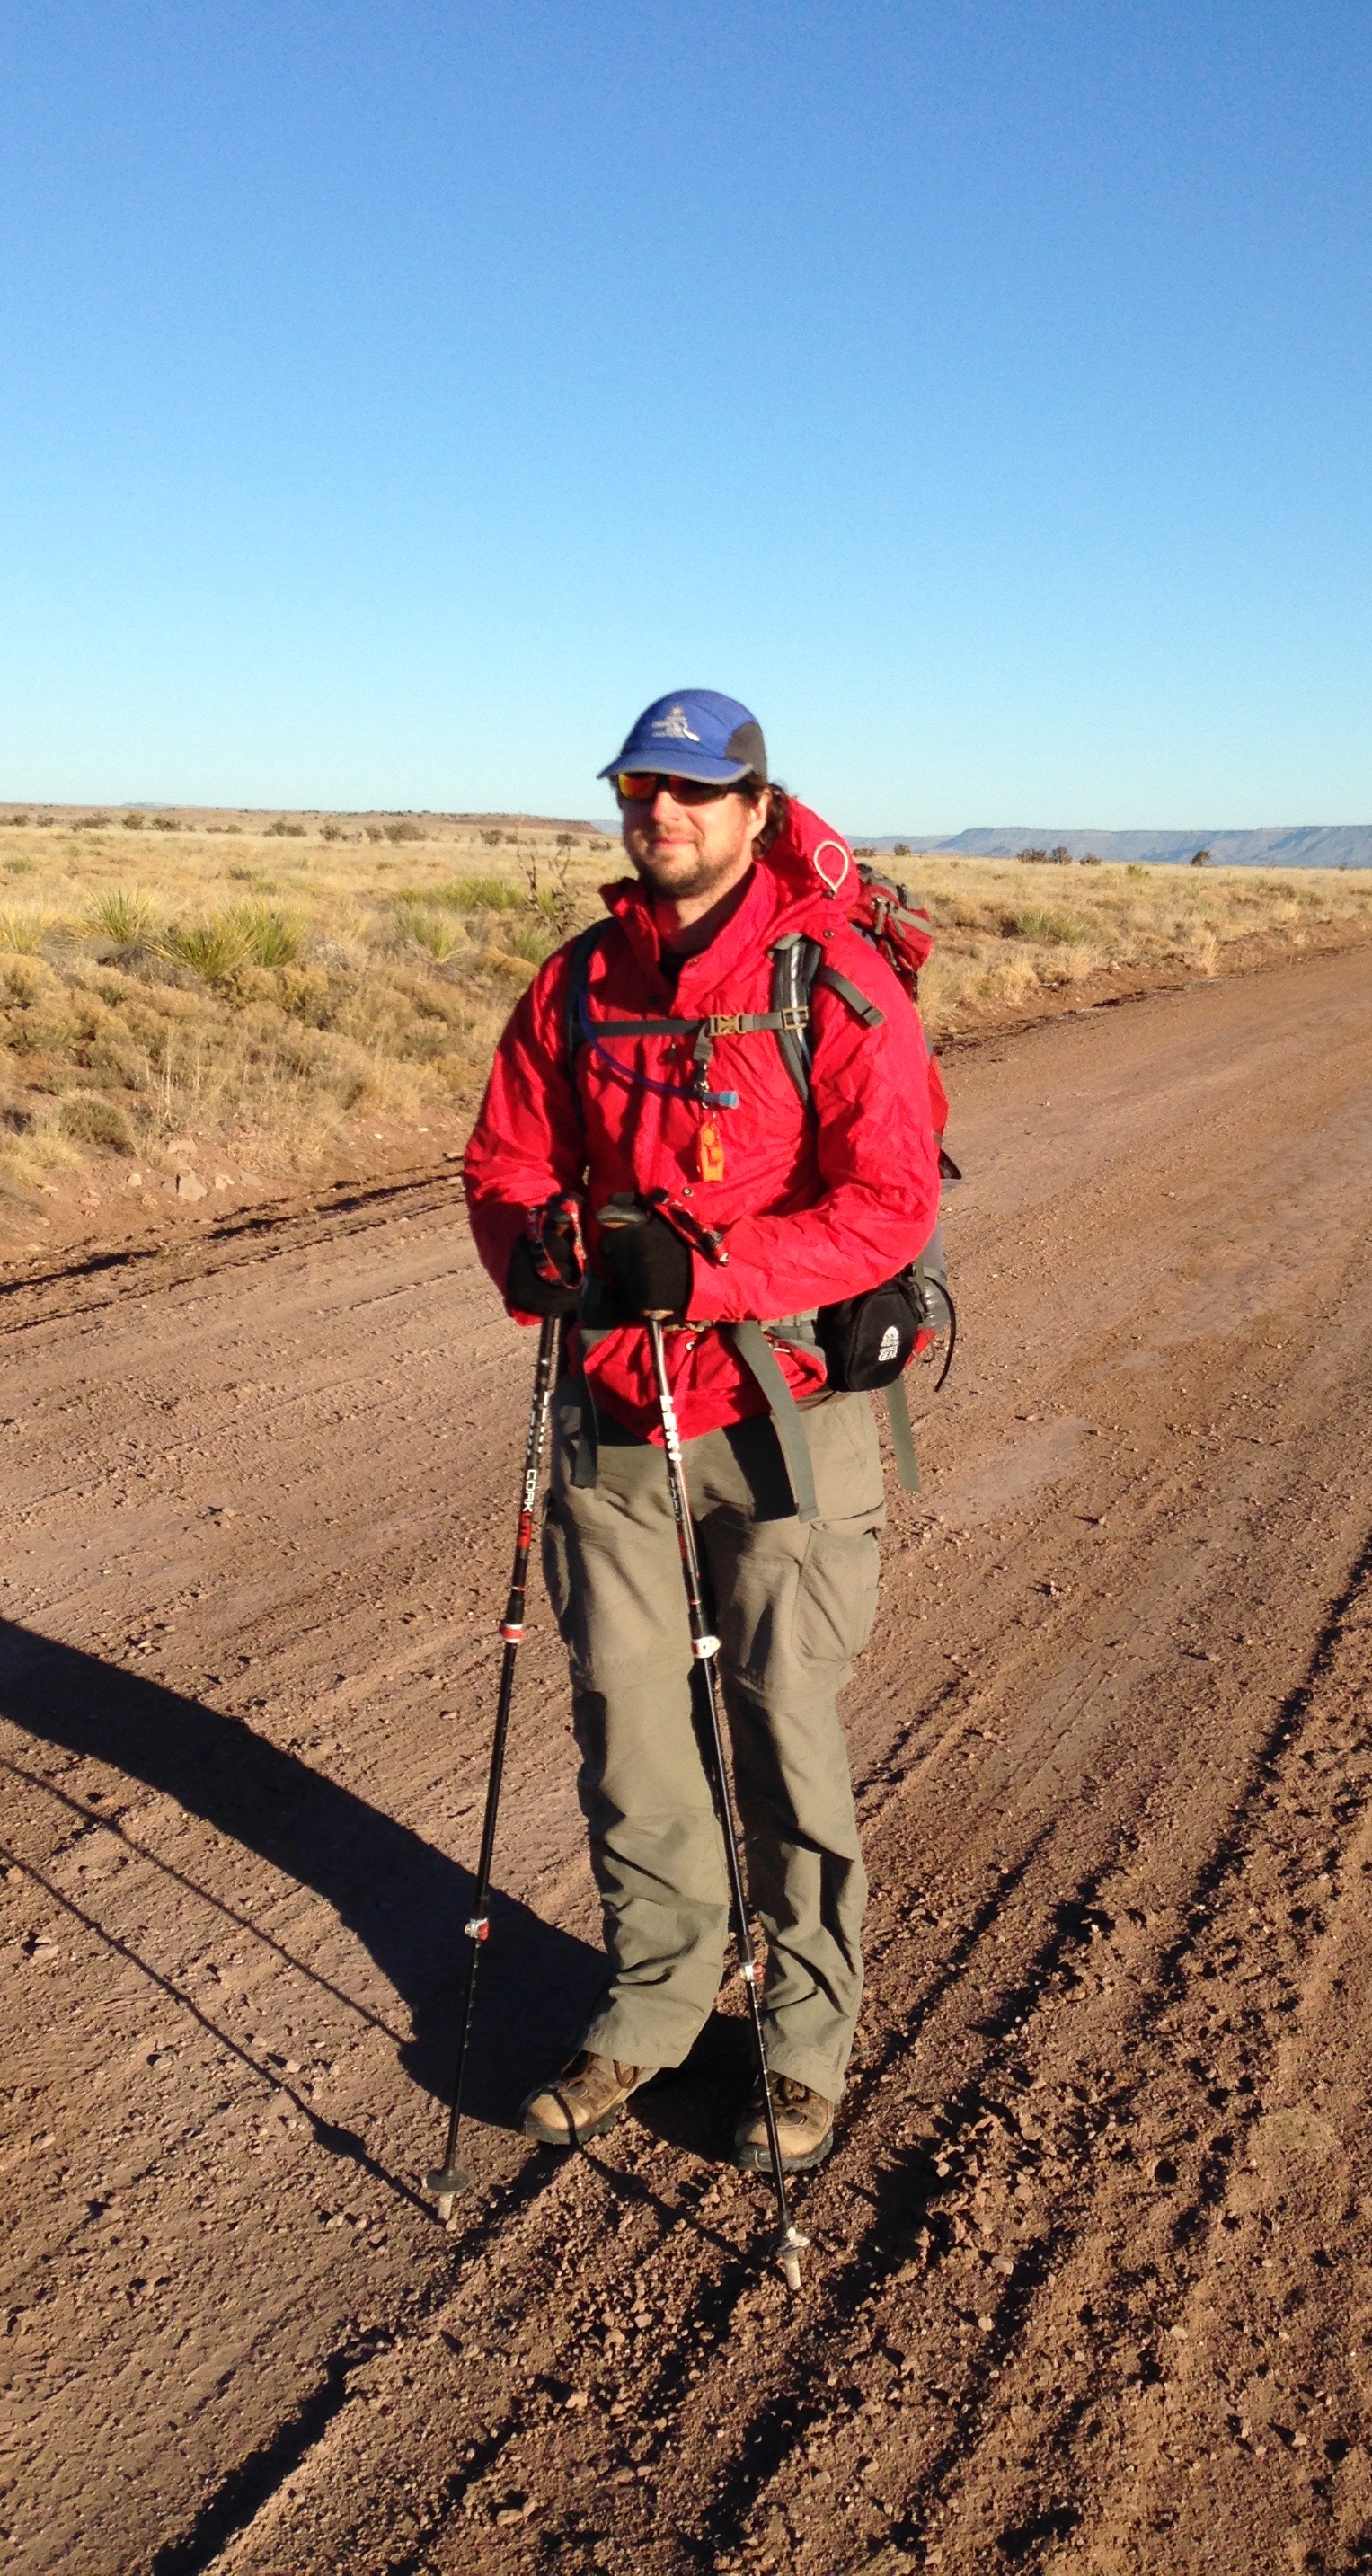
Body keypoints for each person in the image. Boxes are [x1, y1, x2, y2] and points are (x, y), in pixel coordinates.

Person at [463, 688, 941, 2174]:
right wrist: (531, 1248)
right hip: (611, 1403)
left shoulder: (832, 978)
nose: (656, 812)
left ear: (752, 808)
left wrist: (711, 1274)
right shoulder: (580, 983)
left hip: (783, 1413)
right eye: (635, 788)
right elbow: (505, 1157)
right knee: (630, 1725)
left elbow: (889, 1204)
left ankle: (802, 2043)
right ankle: (654, 2005)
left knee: (783, 1726)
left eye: (688, 790)